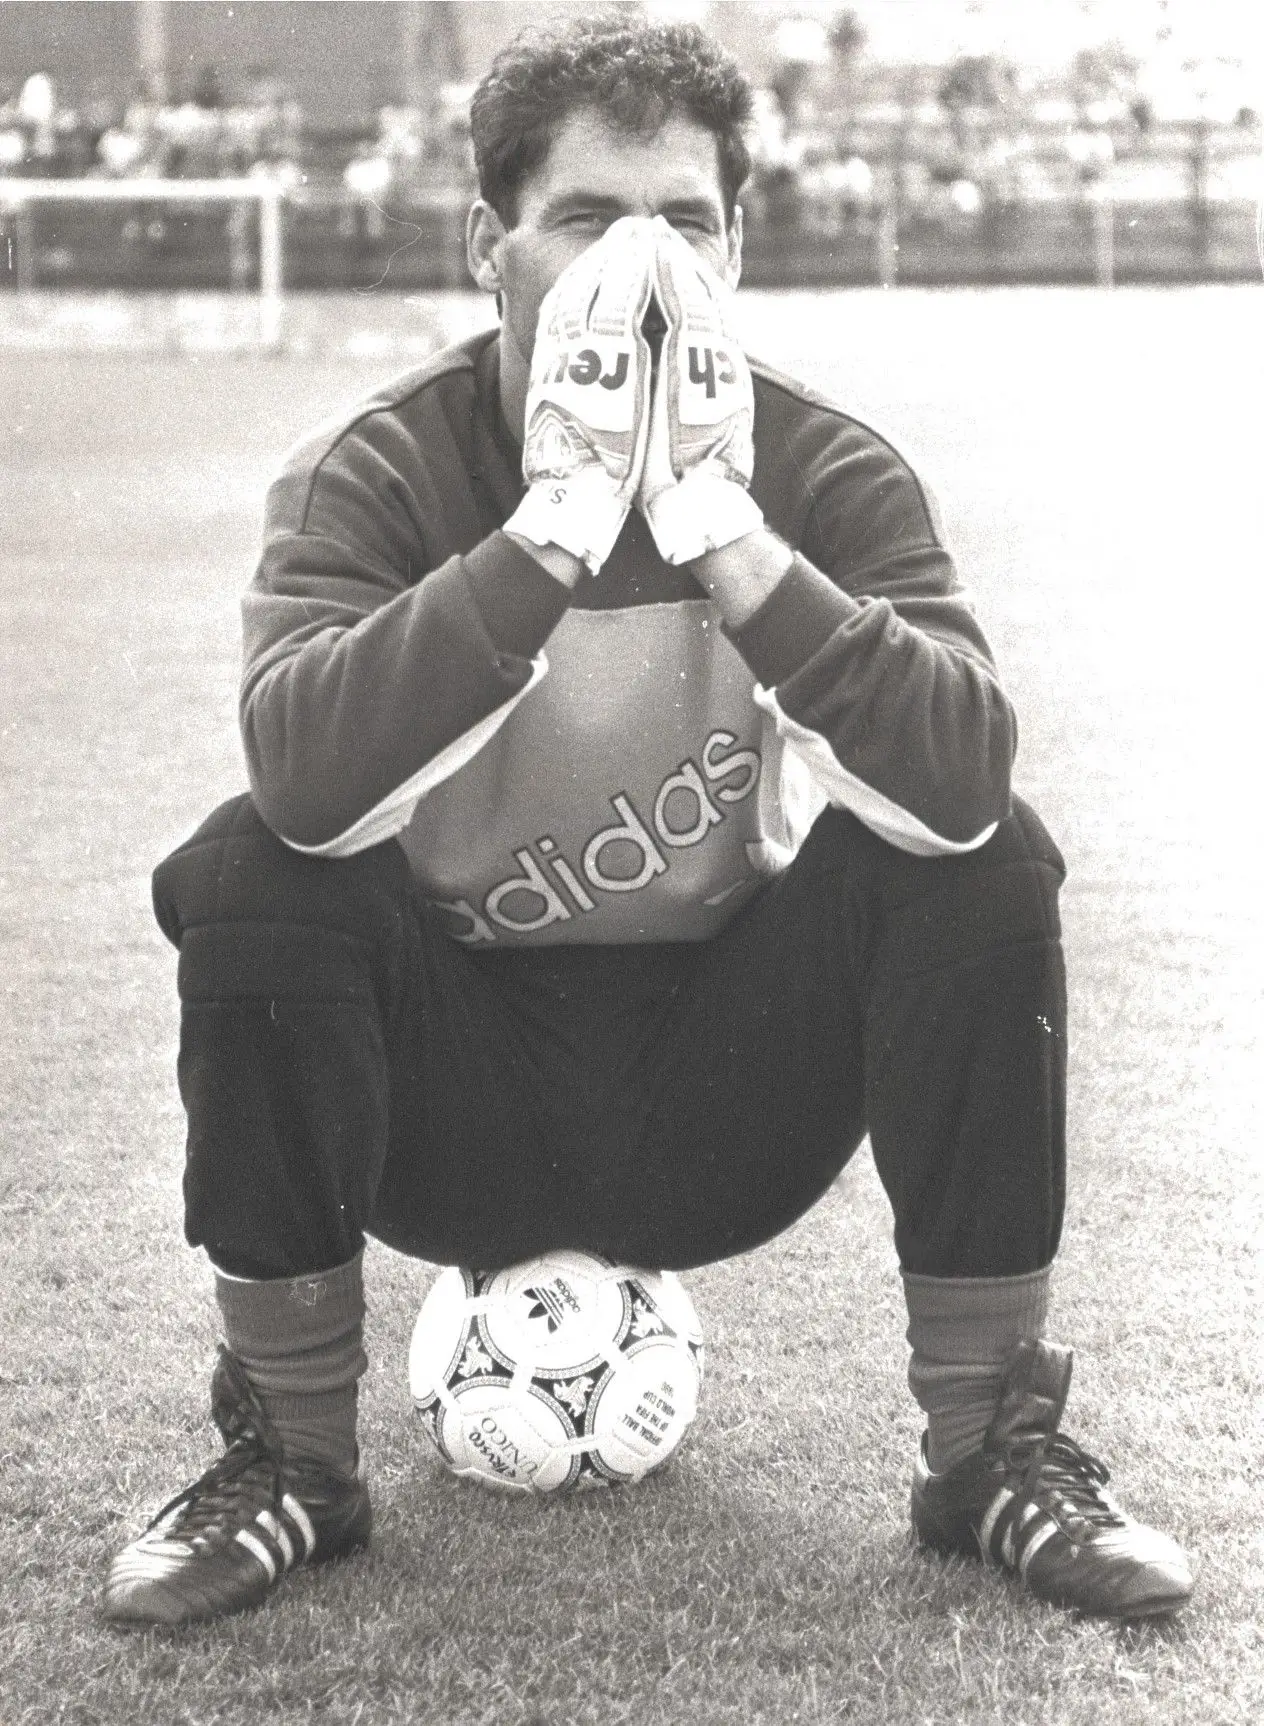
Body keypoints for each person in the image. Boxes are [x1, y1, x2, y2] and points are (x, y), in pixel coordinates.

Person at [103, 12, 1191, 1628]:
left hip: (721, 1085)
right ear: (493, 242)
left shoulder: (826, 467)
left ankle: (988, 1449)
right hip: (444, 1096)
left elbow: (960, 784)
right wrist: (554, 524)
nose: (645, 263)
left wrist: (719, 529)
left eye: (685, 220)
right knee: (250, 859)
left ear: (738, 246)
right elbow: (307, 783)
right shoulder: (383, 471)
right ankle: (291, 1458)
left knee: (992, 853)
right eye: (590, 219)